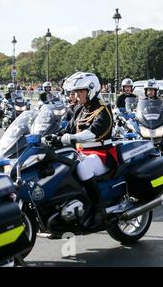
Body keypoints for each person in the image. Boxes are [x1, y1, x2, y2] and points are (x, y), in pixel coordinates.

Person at [60, 72, 116, 225]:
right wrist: (52, 136)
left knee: (83, 169)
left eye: (80, 91)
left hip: (101, 154)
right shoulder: (80, 109)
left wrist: (73, 138)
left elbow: (94, 132)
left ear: (91, 90)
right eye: (76, 92)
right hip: (81, 153)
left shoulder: (103, 110)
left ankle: (98, 209)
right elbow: (69, 129)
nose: (77, 95)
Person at [143, 80, 163, 157]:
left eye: (152, 90)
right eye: (148, 90)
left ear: (155, 91)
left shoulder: (161, 100)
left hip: (158, 122)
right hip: (146, 122)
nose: (150, 92)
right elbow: (138, 111)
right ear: (146, 91)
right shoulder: (142, 101)